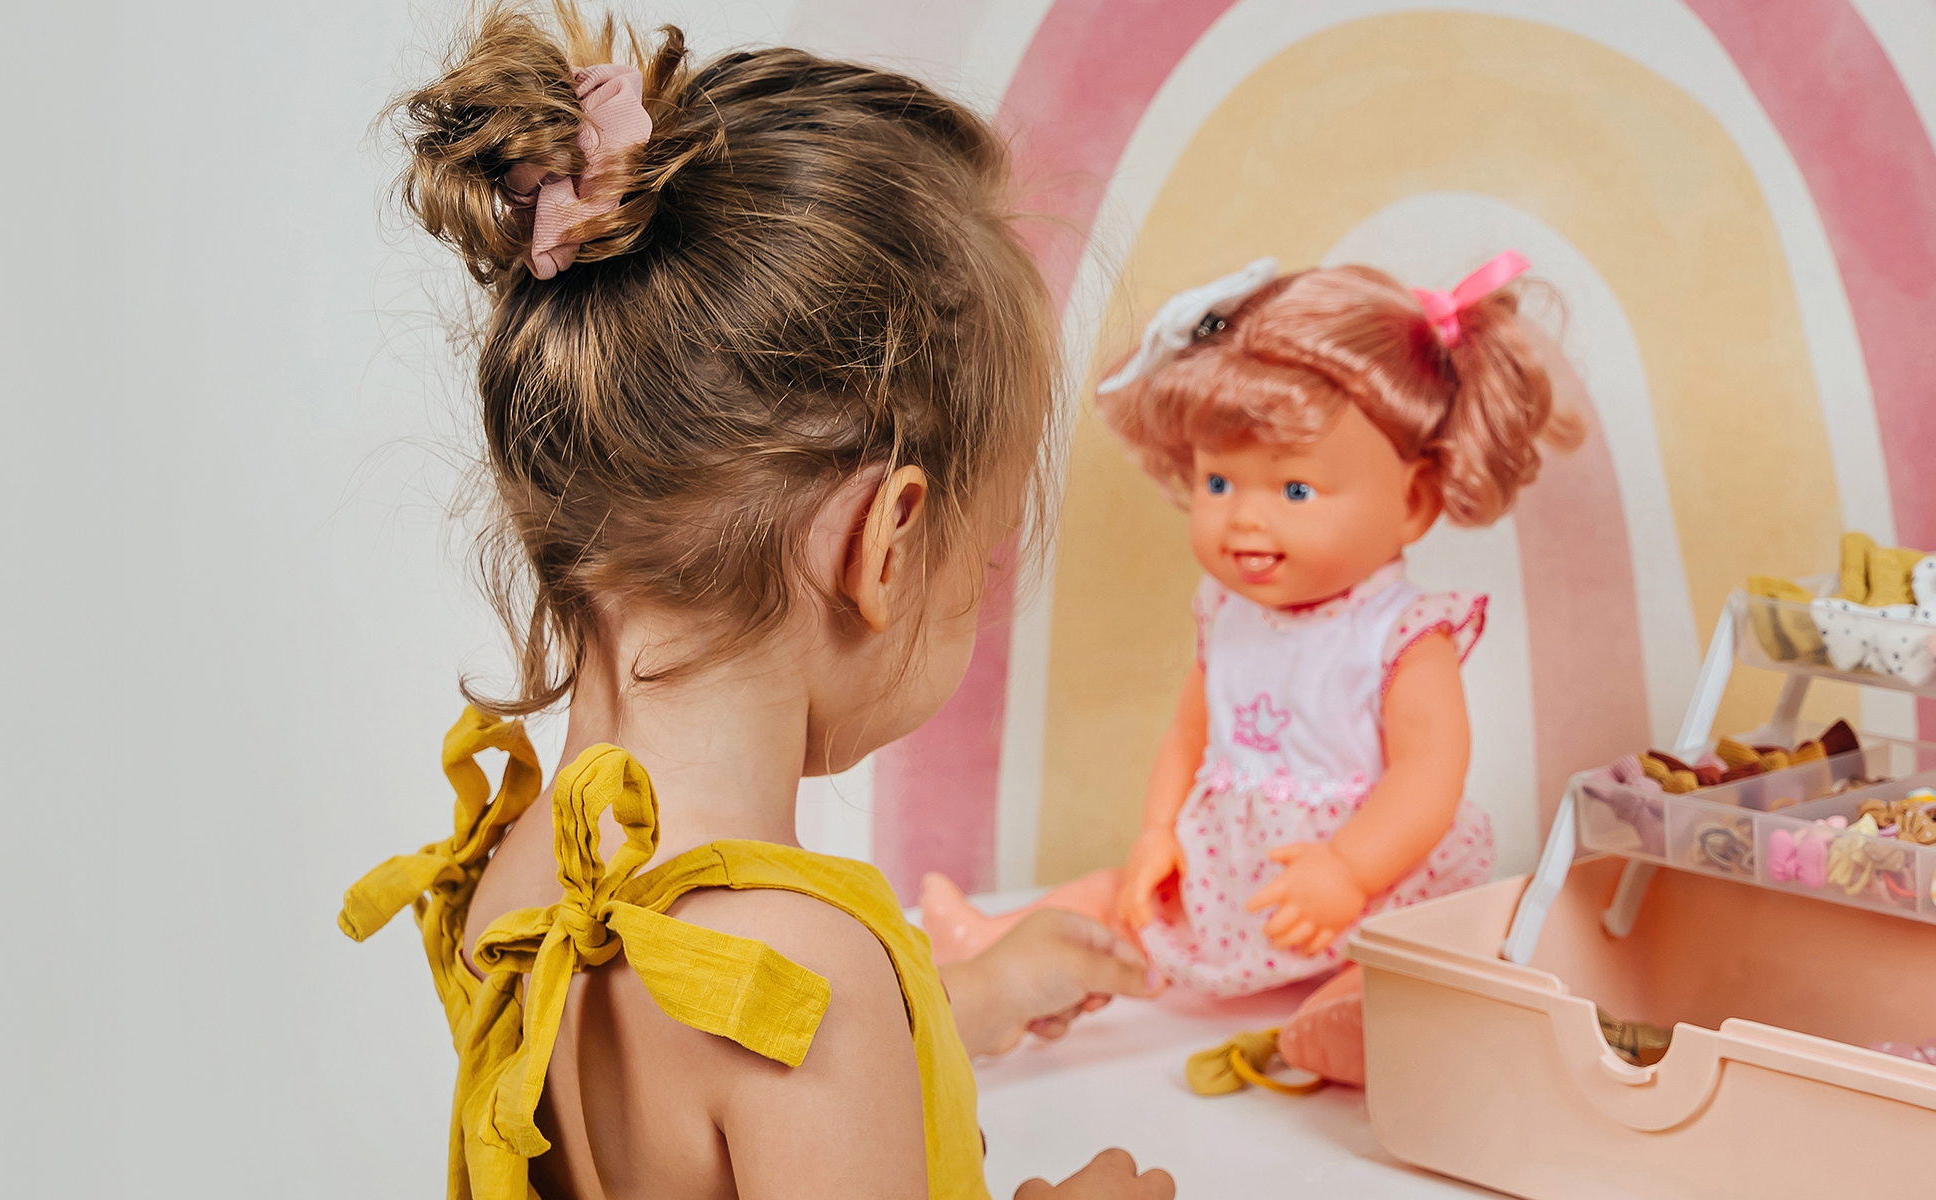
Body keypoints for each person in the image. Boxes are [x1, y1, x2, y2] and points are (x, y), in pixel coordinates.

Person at [337, 6, 1173, 1197]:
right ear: (882, 543)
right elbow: (789, 1051)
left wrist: (960, 1007)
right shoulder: (809, 995)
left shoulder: (525, 872)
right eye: (979, 553)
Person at [922, 254, 1580, 1086]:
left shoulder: (1405, 633)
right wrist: (1159, 831)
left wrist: (1347, 870)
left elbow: (1428, 777)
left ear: (1412, 501)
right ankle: (992, 947)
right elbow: (1190, 733)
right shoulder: (1224, 613)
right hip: (1231, 865)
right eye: (1220, 480)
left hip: (1370, 878)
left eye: (1296, 491)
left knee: (1399, 960)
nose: (1244, 519)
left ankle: (1339, 1025)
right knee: (1116, 895)